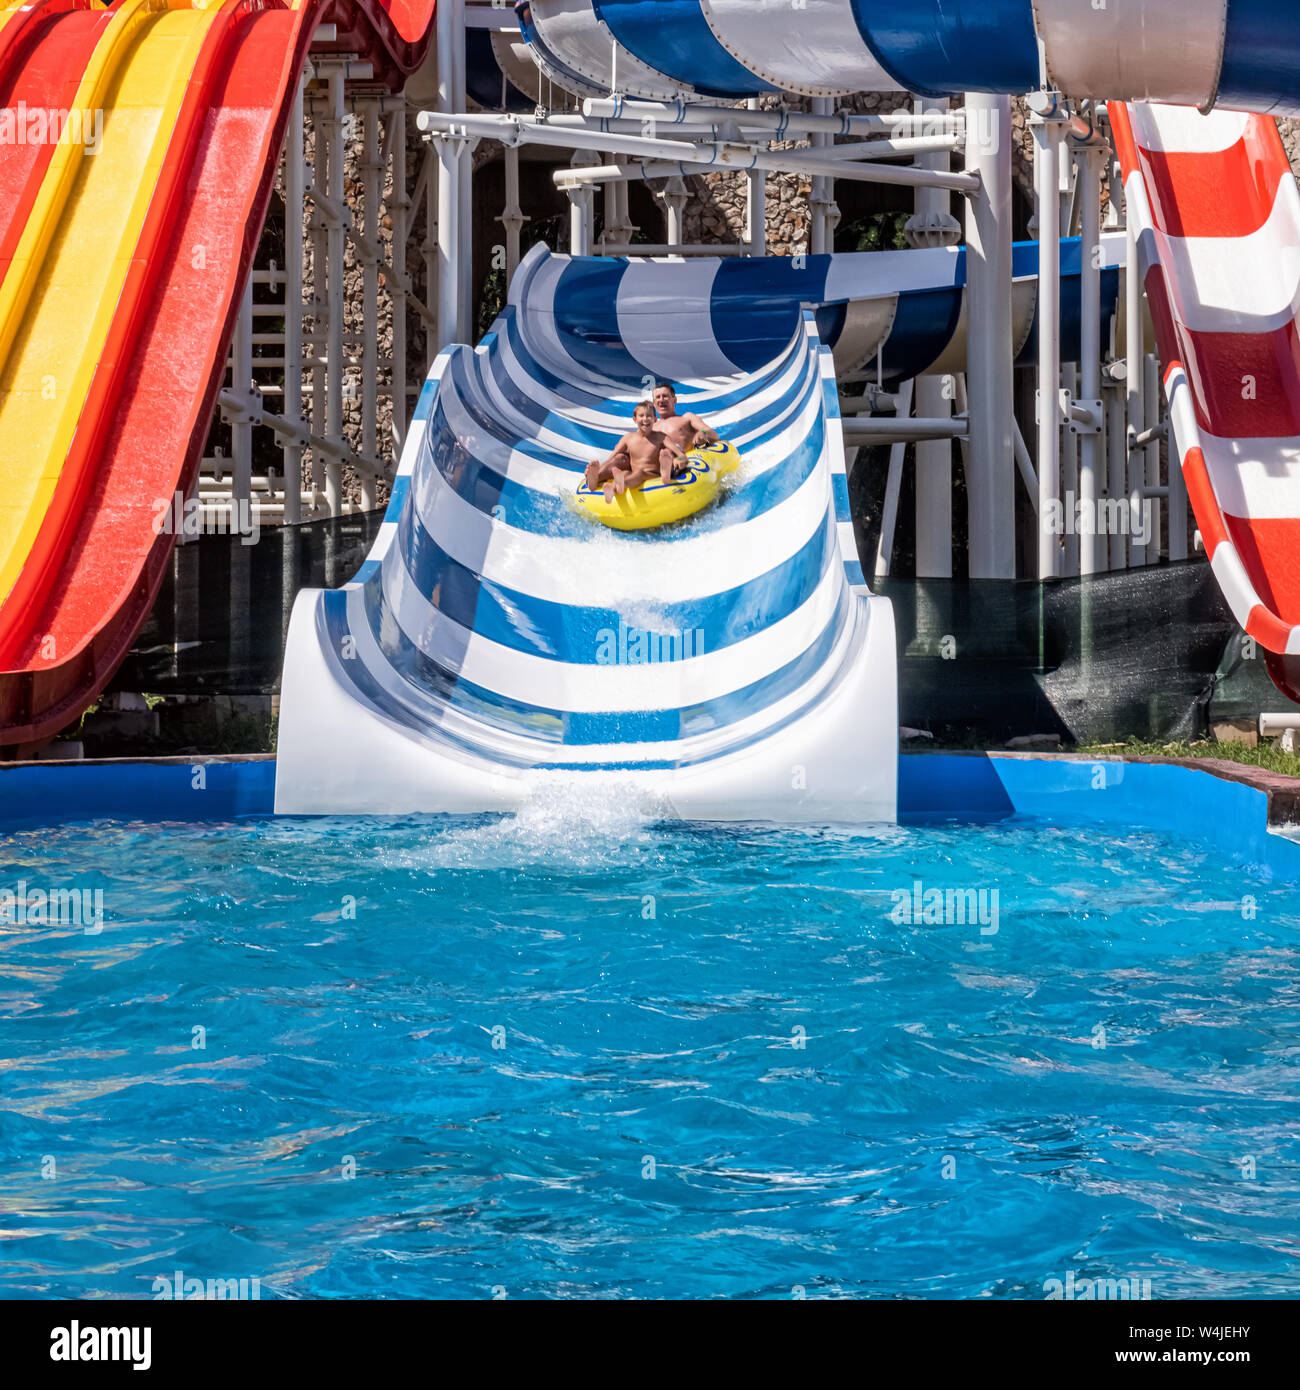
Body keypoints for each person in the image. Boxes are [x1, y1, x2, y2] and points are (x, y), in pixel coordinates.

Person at [585, 401, 689, 502]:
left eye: (649, 416)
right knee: (621, 467)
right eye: (641, 416)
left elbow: (680, 454)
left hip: (653, 475)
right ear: (635, 419)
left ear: (655, 419)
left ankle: (665, 472)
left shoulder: (661, 437)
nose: (645, 419)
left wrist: (679, 460)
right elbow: (612, 458)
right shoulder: (628, 438)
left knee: (641, 472)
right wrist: (599, 469)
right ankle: (601, 483)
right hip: (633, 475)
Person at [652, 382, 718, 455]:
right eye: (658, 397)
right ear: (654, 403)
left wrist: (703, 433)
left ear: (674, 400)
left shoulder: (687, 418)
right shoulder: (651, 428)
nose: (661, 400)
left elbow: (712, 433)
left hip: (688, 463)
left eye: (665, 396)